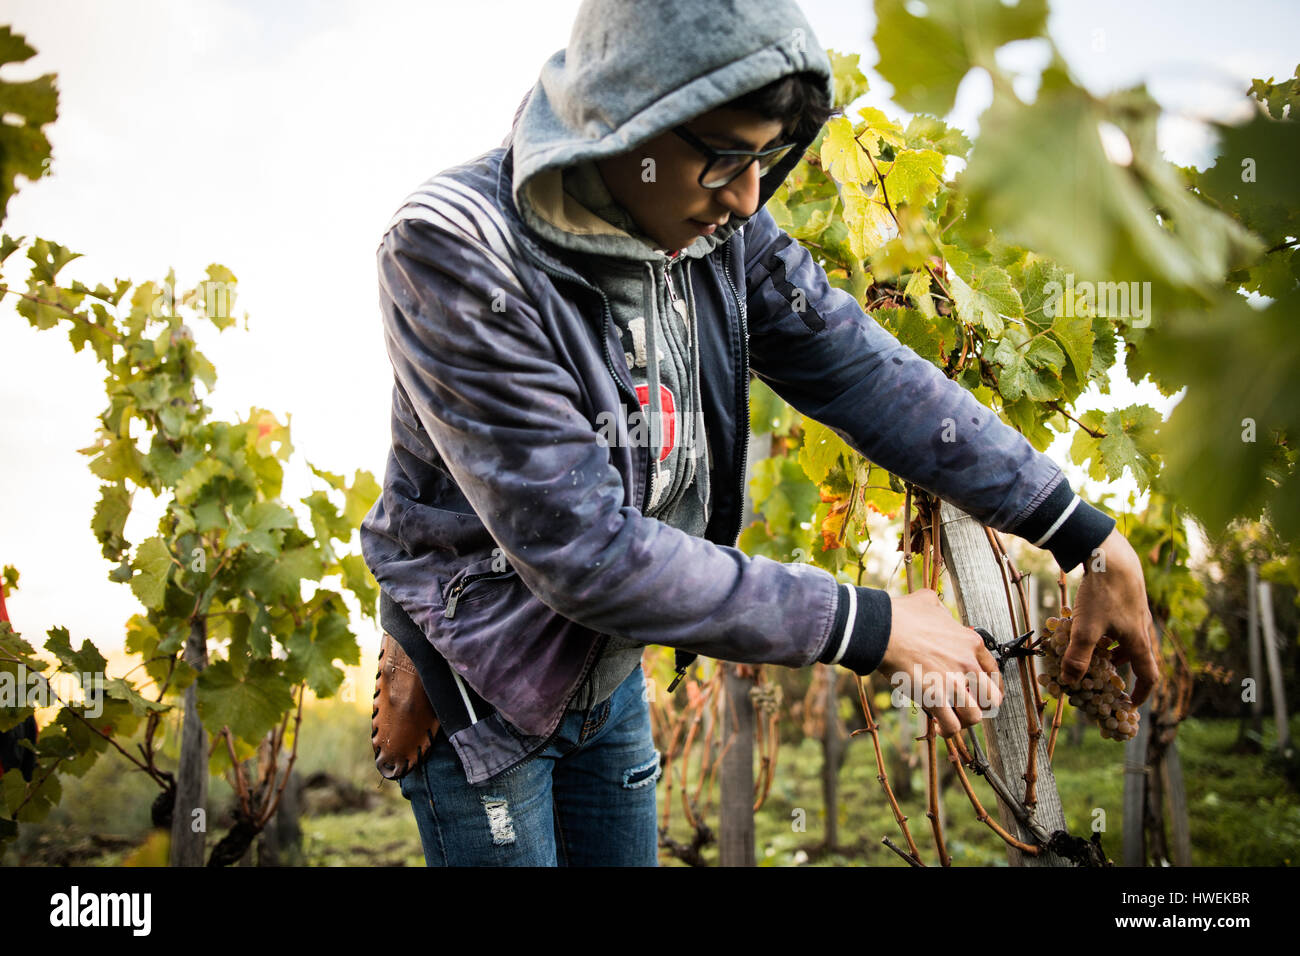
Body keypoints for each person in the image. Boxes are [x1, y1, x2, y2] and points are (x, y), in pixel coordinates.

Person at [359, 0, 1159, 866]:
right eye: (724, 158)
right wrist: (871, 625)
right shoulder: (452, 250)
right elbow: (582, 551)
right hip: (480, 681)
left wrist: (1085, 536)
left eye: (766, 158)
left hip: (611, 676)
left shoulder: (719, 228)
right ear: (631, 121)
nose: (747, 195)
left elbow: (859, 368)